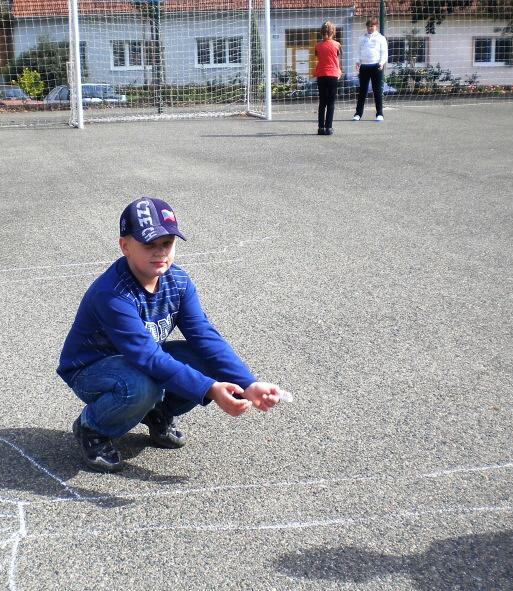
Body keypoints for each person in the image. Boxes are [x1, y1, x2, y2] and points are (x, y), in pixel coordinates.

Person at [57, 197, 286, 473]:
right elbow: (148, 358)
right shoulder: (113, 294)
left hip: (137, 363)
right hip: (91, 370)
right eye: (149, 244)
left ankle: (157, 412)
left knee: (202, 361)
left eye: (166, 243)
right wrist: (210, 388)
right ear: (125, 246)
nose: (160, 252)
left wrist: (247, 383)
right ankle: (92, 426)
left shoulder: (178, 282)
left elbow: (204, 335)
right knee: (142, 386)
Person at [353, 17, 388, 122]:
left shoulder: (381, 38)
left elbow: (384, 52)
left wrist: (381, 63)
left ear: (376, 26)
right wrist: (357, 62)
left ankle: (379, 114)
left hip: (376, 66)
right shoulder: (361, 38)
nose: (370, 28)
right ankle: (358, 114)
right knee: (362, 91)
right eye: (368, 26)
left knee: (377, 90)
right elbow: (358, 51)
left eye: (372, 26)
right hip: (364, 66)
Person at [312, 21, 342, 136]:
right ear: (333, 32)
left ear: (321, 32)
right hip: (333, 74)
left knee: (322, 102)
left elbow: (318, 57)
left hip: (321, 74)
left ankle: (320, 128)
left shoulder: (317, 46)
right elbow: (337, 58)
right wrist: (339, 71)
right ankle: (328, 128)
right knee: (331, 102)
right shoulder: (337, 45)